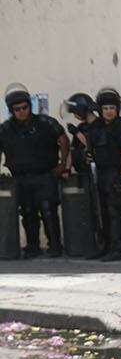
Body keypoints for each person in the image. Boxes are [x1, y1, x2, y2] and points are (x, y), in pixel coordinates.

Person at [0, 82, 70, 257]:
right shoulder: (5, 129)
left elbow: (63, 139)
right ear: (11, 110)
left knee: (48, 210)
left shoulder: (46, 123)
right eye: (17, 109)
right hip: (20, 177)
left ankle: (55, 246)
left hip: (45, 174)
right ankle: (33, 246)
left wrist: (63, 164)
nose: (22, 111)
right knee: (27, 211)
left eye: (25, 107)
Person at [84, 86, 121, 261]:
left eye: (112, 108)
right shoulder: (97, 126)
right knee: (101, 212)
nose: (108, 111)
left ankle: (118, 249)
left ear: (117, 109)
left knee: (115, 213)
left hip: (115, 174)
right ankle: (104, 247)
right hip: (99, 173)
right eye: (105, 108)